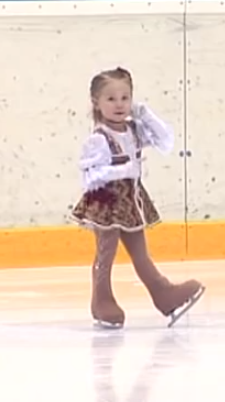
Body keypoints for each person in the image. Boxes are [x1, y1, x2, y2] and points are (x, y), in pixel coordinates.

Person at [70, 67, 205, 328]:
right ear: (96, 103)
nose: (119, 104)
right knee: (105, 253)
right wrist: (123, 169)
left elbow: (166, 143)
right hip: (106, 201)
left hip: (131, 201)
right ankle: (101, 301)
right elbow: (89, 176)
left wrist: (147, 115)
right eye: (111, 99)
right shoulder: (98, 139)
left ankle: (164, 295)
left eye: (125, 97)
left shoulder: (133, 130)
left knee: (141, 255)